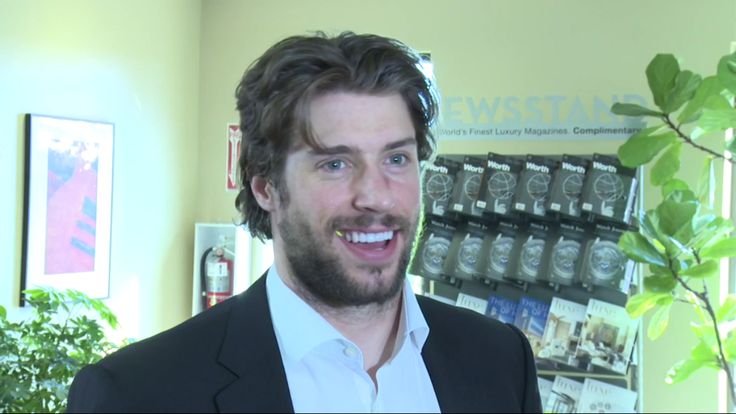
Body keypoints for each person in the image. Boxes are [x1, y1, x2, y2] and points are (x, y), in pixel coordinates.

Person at [67, 31, 542, 413]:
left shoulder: (500, 361)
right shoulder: (136, 394)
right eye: (334, 163)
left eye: (397, 159)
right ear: (265, 187)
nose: (374, 195)